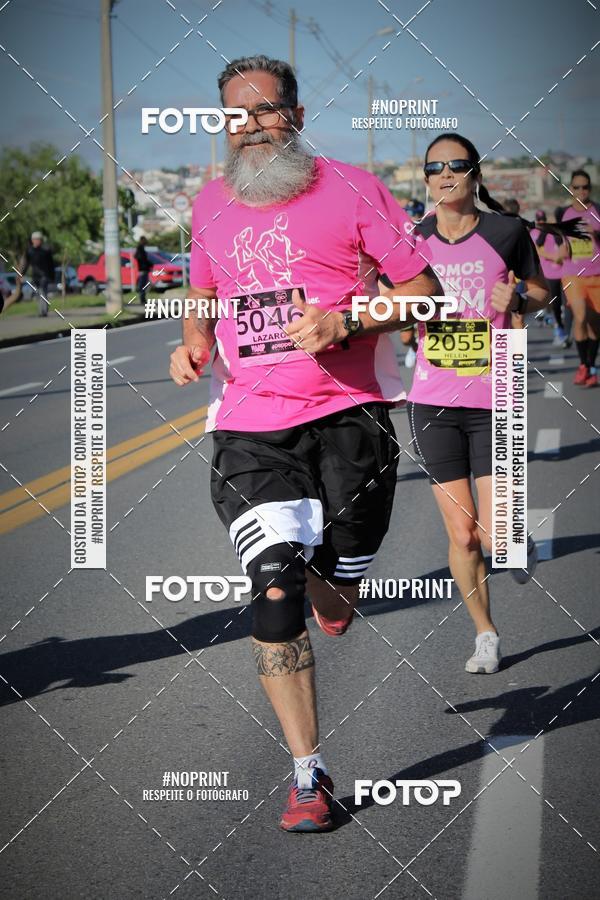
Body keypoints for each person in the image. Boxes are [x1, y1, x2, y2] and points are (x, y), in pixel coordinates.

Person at [169, 55, 441, 832]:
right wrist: (192, 338)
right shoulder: (208, 205)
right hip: (252, 426)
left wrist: (345, 320)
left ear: (295, 113)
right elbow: (204, 290)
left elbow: (425, 292)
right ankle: (308, 777)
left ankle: (340, 582)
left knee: (339, 581)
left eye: (266, 111)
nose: (252, 126)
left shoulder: (352, 187)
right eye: (237, 114)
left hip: (351, 419)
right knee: (276, 586)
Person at [406, 133, 549, 675]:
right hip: (432, 399)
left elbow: (542, 291)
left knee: (495, 535)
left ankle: (514, 539)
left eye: (456, 165)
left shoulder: (506, 231)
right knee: (462, 533)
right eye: (434, 167)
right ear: (425, 178)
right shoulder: (412, 240)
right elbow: (388, 297)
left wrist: (518, 299)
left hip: (495, 394)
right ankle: (485, 634)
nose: (445, 175)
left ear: (475, 174)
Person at [560, 170, 600, 388]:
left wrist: (594, 235)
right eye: (576, 187)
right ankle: (584, 365)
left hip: (597, 274)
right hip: (572, 274)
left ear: (590, 189)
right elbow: (562, 244)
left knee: (595, 325)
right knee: (580, 315)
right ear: (570, 189)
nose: (581, 191)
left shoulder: (598, 212)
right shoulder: (564, 214)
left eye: (585, 187)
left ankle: (591, 367)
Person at [531, 210, 569, 346]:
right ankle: (558, 329)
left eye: (543, 219)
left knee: (567, 304)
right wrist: (554, 257)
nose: (541, 221)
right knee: (555, 303)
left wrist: (561, 256)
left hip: (565, 272)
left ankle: (564, 330)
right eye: (539, 219)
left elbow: (567, 247)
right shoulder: (535, 233)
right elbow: (536, 250)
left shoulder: (560, 232)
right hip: (548, 273)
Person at [22, 231, 55, 317]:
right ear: (32, 240)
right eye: (35, 239)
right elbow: (26, 263)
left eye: (38, 239)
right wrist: (22, 273)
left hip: (44, 275)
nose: (37, 241)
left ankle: (43, 311)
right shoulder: (29, 251)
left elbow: (51, 264)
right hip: (35, 276)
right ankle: (42, 310)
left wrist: (52, 276)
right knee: (38, 293)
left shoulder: (46, 251)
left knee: (42, 292)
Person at [134, 236, 152, 306]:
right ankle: (142, 299)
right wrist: (148, 264)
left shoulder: (141, 248)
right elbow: (141, 258)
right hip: (143, 269)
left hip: (143, 269)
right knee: (143, 285)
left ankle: (143, 298)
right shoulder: (140, 249)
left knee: (144, 284)